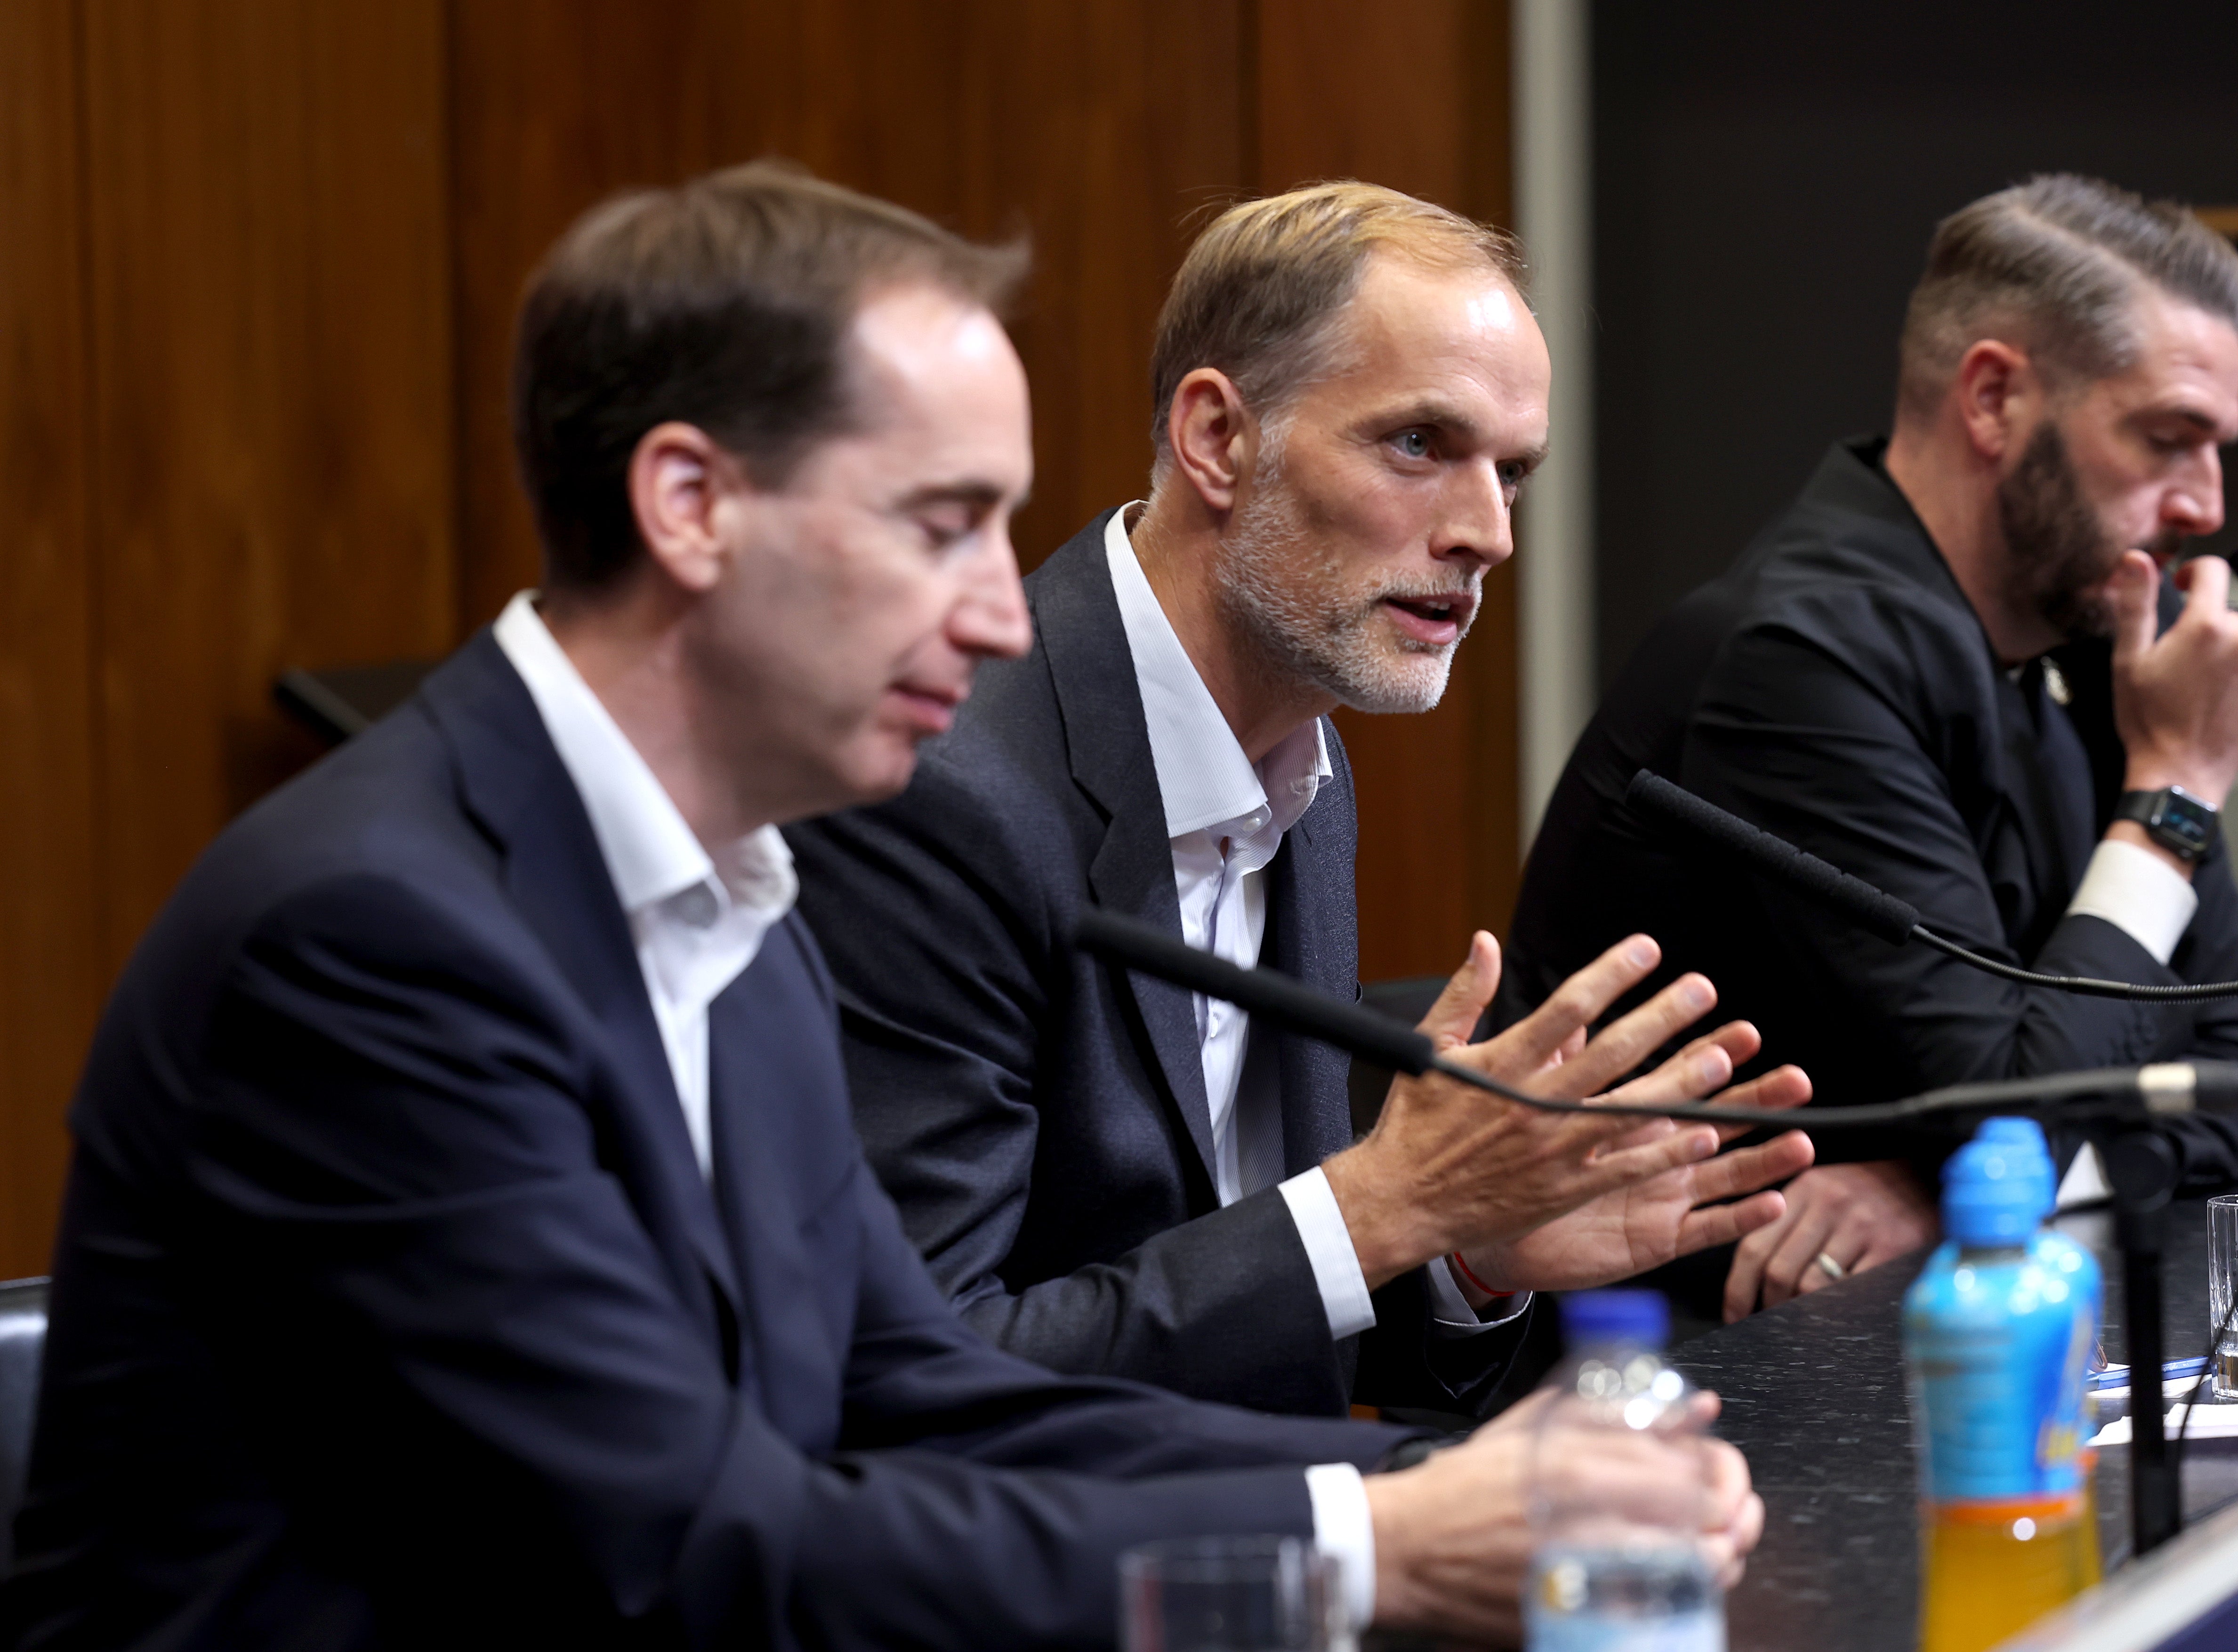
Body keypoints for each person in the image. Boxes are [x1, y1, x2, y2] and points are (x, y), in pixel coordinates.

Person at [0, 163, 1762, 1651]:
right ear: (691, 505)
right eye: (941, 526)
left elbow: (916, 1389)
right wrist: (1369, 1558)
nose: (1005, 617)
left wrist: (1455, 1497)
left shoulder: (728, 891)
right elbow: (688, 1545)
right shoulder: (373, 940)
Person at [785, 182, 1817, 1418]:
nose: (1487, 531)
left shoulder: (1303, 778)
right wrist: (1377, 1206)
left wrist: (1463, 1251)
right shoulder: (941, 794)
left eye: (1512, 472)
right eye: (1419, 445)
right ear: (1218, 439)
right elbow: (918, 1379)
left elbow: (1252, 1305)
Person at [1502, 173, 2238, 1325]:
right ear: (1992, 400)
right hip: (1683, 1387)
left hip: (1919, 1336)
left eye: (2216, 448)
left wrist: (1953, 1195)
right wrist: (2172, 791)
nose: (2203, 504)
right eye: (2167, 439)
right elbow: (2019, 1113)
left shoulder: (2098, 639)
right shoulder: (1799, 654)